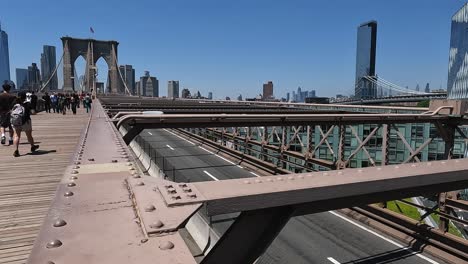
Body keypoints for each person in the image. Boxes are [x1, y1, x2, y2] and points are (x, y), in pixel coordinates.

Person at [11, 91, 39, 157]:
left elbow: (11, 110)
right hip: (26, 121)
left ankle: (16, 150)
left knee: (16, 135)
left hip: (16, 120)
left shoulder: (14, 103)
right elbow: (33, 112)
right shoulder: (27, 103)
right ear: (25, 97)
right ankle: (32, 146)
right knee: (29, 135)